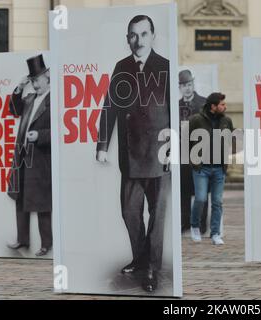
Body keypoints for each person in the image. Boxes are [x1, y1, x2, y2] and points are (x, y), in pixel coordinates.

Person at [96, 15, 170, 293]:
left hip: (160, 153)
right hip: (131, 153)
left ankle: (150, 266)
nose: (138, 41)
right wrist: (103, 145)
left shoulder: (165, 66)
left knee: (158, 214)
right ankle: (141, 258)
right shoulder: (121, 67)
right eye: (132, 35)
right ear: (127, 38)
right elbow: (110, 108)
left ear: (153, 36)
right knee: (129, 212)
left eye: (143, 34)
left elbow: (178, 112)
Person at [7, 54, 52, 257]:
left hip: (41, 159)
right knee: (19, 198)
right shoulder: (29, 98)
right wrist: (19, 87)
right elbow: (13, 109)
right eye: (32, 80)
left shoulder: (53, 101)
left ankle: (46, 244)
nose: (34, 83)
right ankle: (22, 240)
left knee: (42, 203)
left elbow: (58, 132)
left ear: (47, 77)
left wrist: (40, 136)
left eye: (37, 79)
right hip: (23, 156)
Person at [188, 92, 234, 245]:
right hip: (201, 168)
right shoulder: (196, 120)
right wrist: (194, 162)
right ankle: (194, 227)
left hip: (219, 169)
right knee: (200, 199)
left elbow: (230, 141)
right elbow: (186, 141)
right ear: (213, 106)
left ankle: (215, 234)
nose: (225, 107)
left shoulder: (227, 121)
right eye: (222, 104)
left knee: (217, 202)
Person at [178, 69, 208, 234]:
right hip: (182, 155)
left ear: (193, 84)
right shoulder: (176, 106)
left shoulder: (204, 104)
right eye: (183, 85)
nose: (187, 88)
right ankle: (185, 223)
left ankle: (201, 224)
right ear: (179, 88)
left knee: (201, 191)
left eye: (189, 84)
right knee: (183, 191)